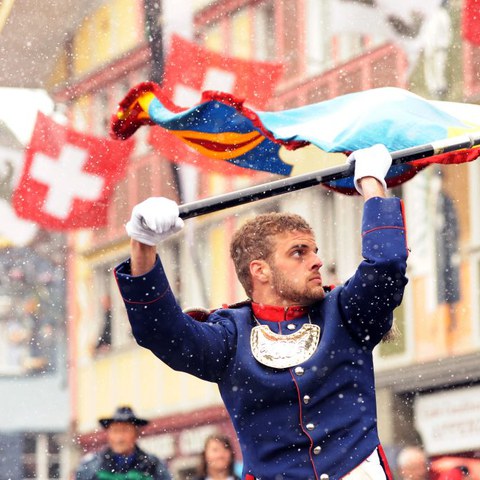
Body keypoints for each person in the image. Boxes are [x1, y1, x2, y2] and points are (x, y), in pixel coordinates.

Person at [114, 144, 409, 479]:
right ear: (260, 271)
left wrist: (372, 185)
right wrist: (143, 243)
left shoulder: (345, 312)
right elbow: (161, 332)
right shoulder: (229, 336)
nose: (317, 261)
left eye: (314, 250)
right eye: (298, 252)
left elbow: (386, 265)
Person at [75, 406, 172, 480]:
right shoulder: (92, 466)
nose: (119, 438)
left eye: (125, 431)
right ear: (108, 434)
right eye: (115, 431)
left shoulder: (153, 465)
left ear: (136, 434)